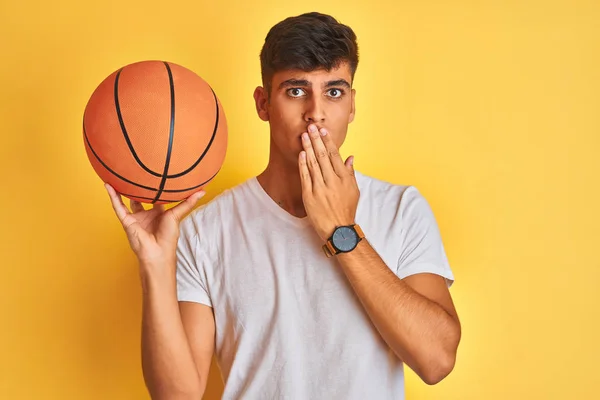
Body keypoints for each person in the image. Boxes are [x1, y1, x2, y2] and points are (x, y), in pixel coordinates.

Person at [105, 11, 461, 400]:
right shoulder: (205, 230)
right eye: (295, 91)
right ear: (263, 104)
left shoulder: (402, 210)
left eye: (334, 91)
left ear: (352, 105)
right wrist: (155, 265)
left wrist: (342, 232)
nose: (316, 112)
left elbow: (437, 360)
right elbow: (177, 396)